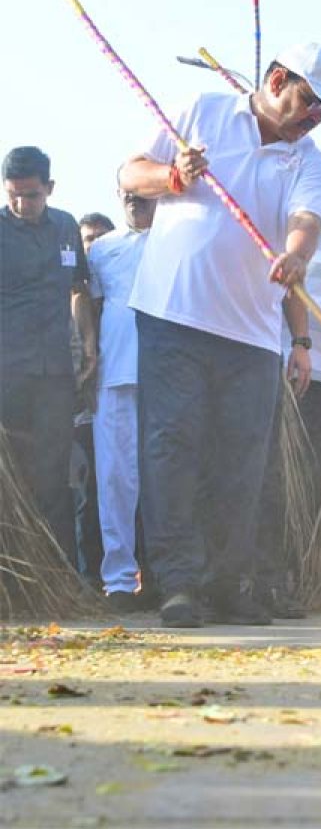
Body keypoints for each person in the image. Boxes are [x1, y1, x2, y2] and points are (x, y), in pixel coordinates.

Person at [119, 42, 321, 628]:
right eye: (310, 101)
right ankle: (178, 584)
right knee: (173, 448)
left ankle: (227, 583)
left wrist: (296, 258)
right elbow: (130, 173)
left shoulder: (309, 159)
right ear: (277, 80)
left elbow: (306, 221)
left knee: (243, 462)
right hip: (174, 315)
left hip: (251, 330)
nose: (314, 116)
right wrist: (174, 175)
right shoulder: (203, 110)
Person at [254, 234, 321, 616]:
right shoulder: (259, 234)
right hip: (267, 370)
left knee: (313, 481)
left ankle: (311, 583)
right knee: (271, 482)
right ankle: (268, 581)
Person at [0, 146, 96, 563]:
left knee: (53, 476)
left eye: (32, 195)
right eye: (13, 195)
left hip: (56, 374)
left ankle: (59, 577)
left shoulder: (65, 227)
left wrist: (88, 341)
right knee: (9, 478)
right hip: (7, 373)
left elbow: (79, 288)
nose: (22, 204)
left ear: (50, 189)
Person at [88, 187, 157, 613]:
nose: (135, 200)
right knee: (115, 478)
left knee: (167, 479)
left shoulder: (176, 238)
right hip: (113, 373)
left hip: (167, 374)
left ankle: (166, 575)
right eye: (128, 194)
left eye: (143, 194)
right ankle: (118, 579)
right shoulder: (102, 250)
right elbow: (88, 310)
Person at [70, 211, 116, 587]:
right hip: (78, 416)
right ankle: (87, 578)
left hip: (117, 409)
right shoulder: (69, 301)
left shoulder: (119, 300)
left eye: (102, 238)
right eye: (88, 239)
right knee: (82, 495)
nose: (95, 245)